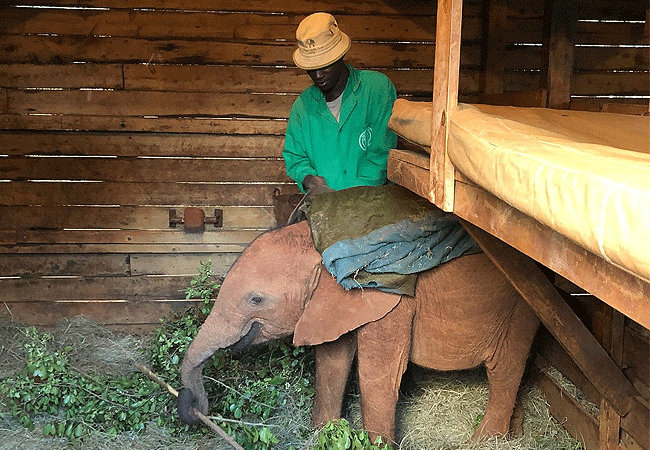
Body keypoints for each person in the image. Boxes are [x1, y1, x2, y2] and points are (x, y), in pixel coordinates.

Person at [283, 12, 398, 195]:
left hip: (374, 205)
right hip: (324, 207)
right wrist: (308, 179)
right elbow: (295, 157)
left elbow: (381, 155)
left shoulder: (377, 89)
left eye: (324, 65)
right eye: (311, 69)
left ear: (340, 56)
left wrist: (343, 201)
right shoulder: (302, 107)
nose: (318, 75)